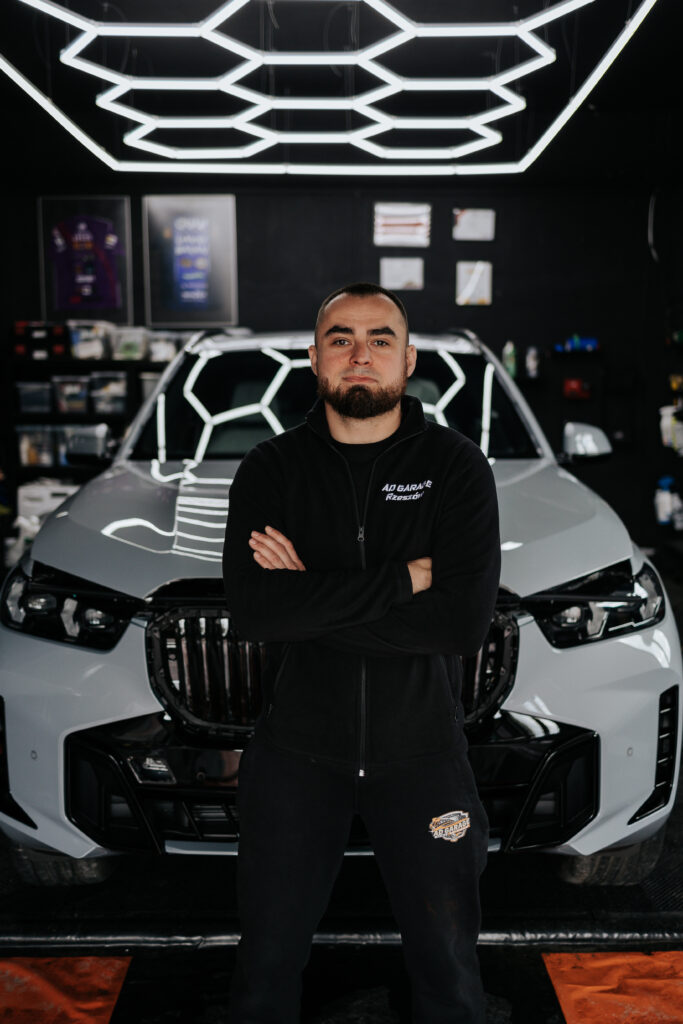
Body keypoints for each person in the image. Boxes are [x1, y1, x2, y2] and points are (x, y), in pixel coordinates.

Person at [222, 282, 501, 1024]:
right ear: (315, 359)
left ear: (406, 360)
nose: (360, 354)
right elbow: (253, 612)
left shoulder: (456, 468)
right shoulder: (270, 470)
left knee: (448, 973)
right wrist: (403, 580)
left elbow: (458, 625)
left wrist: (307, 599)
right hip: (295, 757)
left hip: (422, 756)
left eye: (380, 339)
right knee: (264, 971)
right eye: (340, 338)